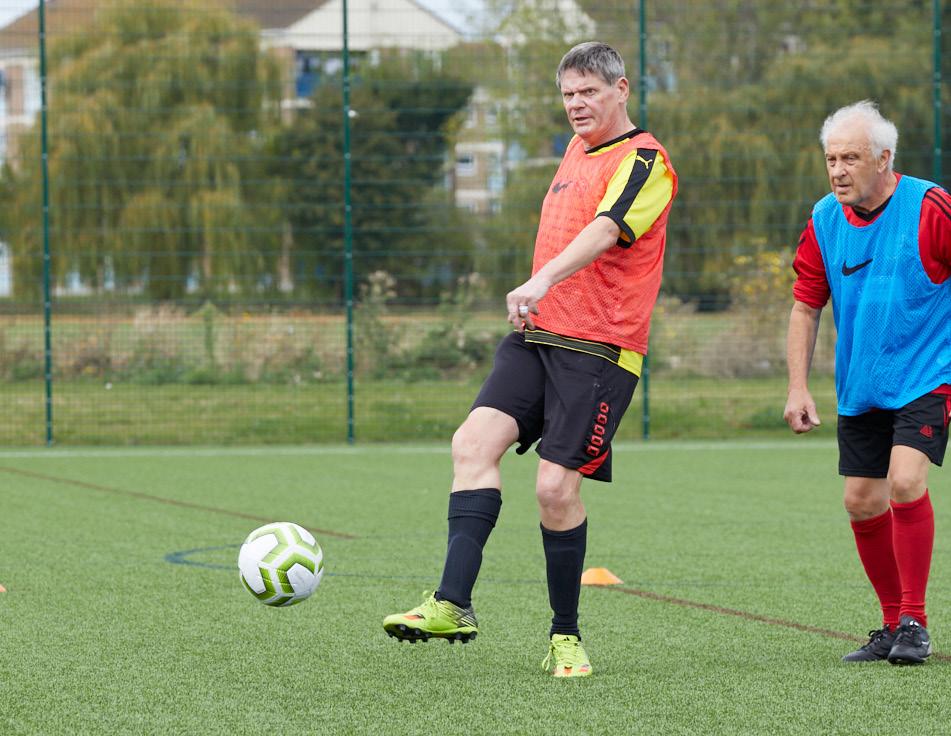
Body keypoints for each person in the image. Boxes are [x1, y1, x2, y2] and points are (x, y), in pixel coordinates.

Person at [382, 41, 677, 677]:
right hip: (539, 337)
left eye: (589, 92)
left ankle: (565, 636)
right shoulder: (574, 149)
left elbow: (606, 230)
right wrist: (539, 296)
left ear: (621, 90)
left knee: (553, 490)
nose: (576, 104)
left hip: (599, 350)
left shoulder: (646, 160)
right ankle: (452, 603)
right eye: (568, 94)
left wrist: (540, 279)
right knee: (471, 444)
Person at [784, 100, 951, 665]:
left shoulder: (930, 207)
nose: (838, 170)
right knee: (860, 501)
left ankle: (915, 622)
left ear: (884, 159)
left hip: (927, 375)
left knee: (905, 480)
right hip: (862, 385)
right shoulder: (824, 219)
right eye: (831, 159)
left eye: (850, 158)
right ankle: (890, 623)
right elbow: (805, 305)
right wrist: (797, 387)